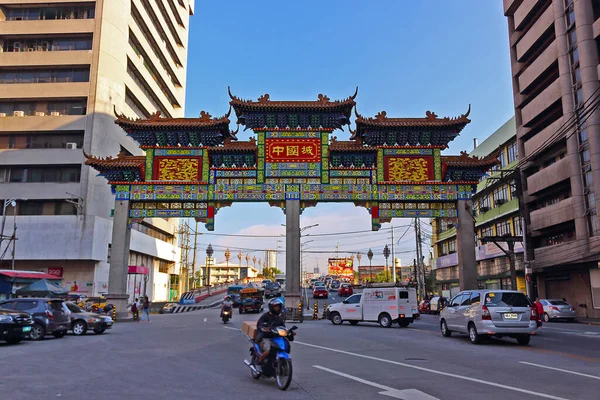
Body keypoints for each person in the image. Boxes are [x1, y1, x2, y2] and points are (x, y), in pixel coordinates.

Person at [255, 298, 292, 368]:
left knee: (286, 346)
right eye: (275, 307)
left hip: (277, 337)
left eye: (278, 307)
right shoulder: (265, 316)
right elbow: (260, 325)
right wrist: (264, 328)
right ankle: (260, 361)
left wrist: (288, 332)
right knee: (269, 350)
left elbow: (283, 327)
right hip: (266, 337)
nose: (277, 309)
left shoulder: (279, 318)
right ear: (271, 307)